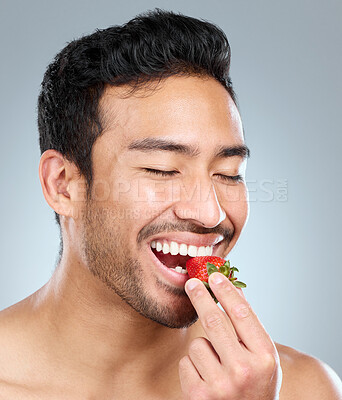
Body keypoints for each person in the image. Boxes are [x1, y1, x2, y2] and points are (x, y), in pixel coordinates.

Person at [0, 8, 341, 400]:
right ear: (62, 185)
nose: (210, 213)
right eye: (162, 169)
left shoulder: (300, 389)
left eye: (229, 172)